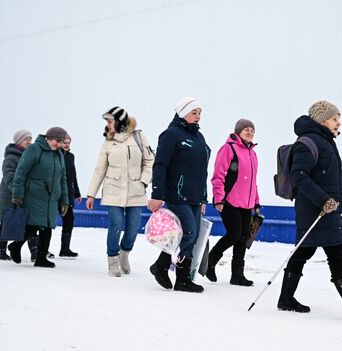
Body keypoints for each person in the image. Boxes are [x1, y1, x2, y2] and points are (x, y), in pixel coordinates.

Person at [277, 100, 342, 319]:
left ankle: (287, 298)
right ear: (322, 119)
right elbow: (299, 176)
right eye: (335, 118)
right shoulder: (307, 143)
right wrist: (323, 200)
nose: (338, 123)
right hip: (315, 209)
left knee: (319, 251)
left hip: (327, 209)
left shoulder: (326, 143)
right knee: (324, 252)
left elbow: (331, 178)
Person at [148, 97, 211, 293]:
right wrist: (157, 194)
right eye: (194, 112)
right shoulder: (171, 135)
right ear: (183, 113)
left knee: (188, 235)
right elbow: (160, 166)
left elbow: (202, 171)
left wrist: (203, 198)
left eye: (199, 112)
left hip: (194, 196)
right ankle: (181, 278)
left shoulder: (199, 138)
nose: (198, 116)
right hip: (177, 194)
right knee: (189, 233)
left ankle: (162, 266)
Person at [86, 107, 154, 276]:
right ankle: (113, 261)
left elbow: (150, 161)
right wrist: (91, 194)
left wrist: (144, 181)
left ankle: (125, 254)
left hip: (135, 191)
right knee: (115, 225)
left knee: (132, 229)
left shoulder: (139, 136)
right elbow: (99, 169)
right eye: (107, 122)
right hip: (113, 191)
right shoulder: (108, 142)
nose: (108, 125)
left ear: (120, 121)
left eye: (110, 121)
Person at [206, 119, 260, 286]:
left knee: (243, 238)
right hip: (229, 200)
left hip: (247, 203)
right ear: (238, 132)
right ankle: (210, 261)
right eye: (246, 129)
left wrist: (256, 202)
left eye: (252, 130)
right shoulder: (228, 149)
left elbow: (253, 181)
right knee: (234, 234)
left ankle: (237, 275)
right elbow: (218, 175)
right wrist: (218, 198)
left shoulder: (252, 153)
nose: (250, 132)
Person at [8, 127, 69, 268]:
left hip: (51, 197)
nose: (57, 144)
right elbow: (21, 171)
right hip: (34, 195)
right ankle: (15, 246)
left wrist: (64, 200)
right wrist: (17, 194)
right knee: (33, 226)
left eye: (60, 142)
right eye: (56, 140)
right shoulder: (35, 149)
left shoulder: (59, 154)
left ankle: (41, 258)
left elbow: (63, 179)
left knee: (47, 227)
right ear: (48, 137)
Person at [0, 129, 40, 260]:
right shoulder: (10, 158)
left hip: (24, 194)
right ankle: (0, 250)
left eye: (30, 139)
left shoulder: (30, 156)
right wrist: (17, 192)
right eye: (26, 139)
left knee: (30, 223)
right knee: (6, 222)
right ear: (19, 141)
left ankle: (35, 252)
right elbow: (10, 178)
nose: (29, 142)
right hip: (9, 195)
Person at [59, 134, 82, 258]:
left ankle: (65, 249)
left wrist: (77, 193)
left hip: (68, 194)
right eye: (64, 142)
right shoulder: (56, 155)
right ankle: (42, 249)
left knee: (69, 220)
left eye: (68, 142)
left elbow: (73, 176)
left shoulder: (71, 157)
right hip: (56, 194)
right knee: (47, 223)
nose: (67, 145)